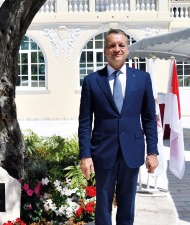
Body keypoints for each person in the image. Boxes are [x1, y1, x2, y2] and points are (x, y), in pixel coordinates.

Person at [78, 28, 159, 225]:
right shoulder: (92, 81)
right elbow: (85, 121)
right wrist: (85, 155)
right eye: (112, 45)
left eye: (121, 45)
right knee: (103, 207)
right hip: (103, 151)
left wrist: (153, 152)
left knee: (127, 206)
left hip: (131, 150)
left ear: (127, 49)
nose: (117, 49)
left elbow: (149, 118)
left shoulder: (142, 79)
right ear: (105, 50)